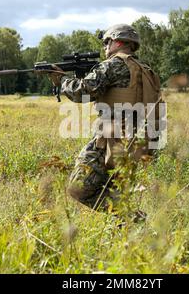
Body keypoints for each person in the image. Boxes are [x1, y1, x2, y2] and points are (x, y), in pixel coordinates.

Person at [43, 24, 162, 219]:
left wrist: (61, 80)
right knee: (117, 192)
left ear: (118, 41)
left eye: (107, 42)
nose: (105, 47)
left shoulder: (113, 65)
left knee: (77, 187)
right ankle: (130, 232)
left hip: (111, 139)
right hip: (142, 142)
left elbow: (82, 93)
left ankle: (135, 218)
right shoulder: (147, 71)